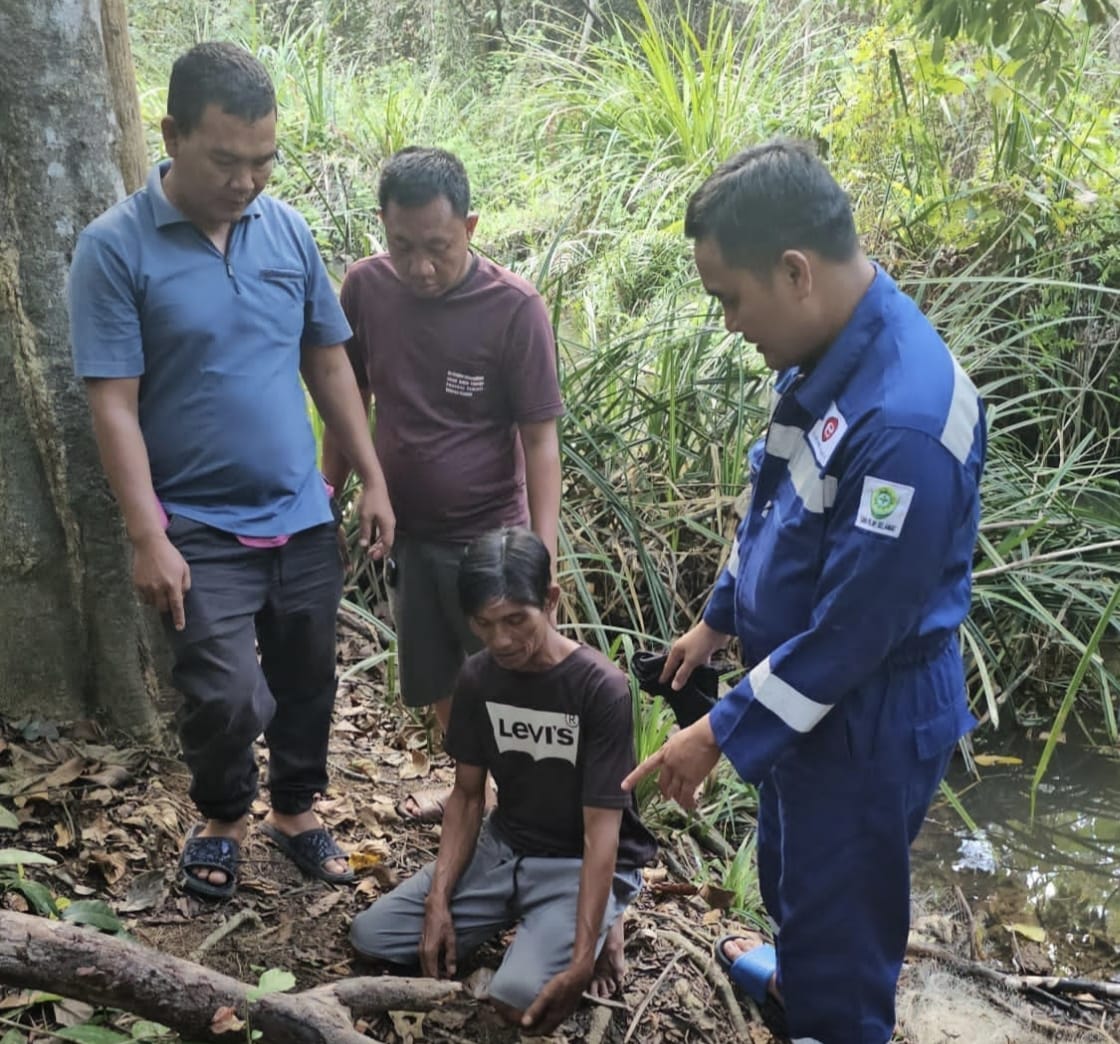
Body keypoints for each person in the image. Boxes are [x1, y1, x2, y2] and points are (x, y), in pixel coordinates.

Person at [622, 138, 986, 1044]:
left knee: (844, 910)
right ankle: (797, 978)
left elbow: (854, 634)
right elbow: (775, 496)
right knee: (792, 868)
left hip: (870, 710)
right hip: (802, 693)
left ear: (794, 271)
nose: (729, 323)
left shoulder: (903, 421)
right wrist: (717, 619)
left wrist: (718, 731)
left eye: (730, 300)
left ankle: (834, 1018)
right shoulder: (826, 354)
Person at [68, 42, 394, 901]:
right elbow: (113, 403)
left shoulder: (285, 230)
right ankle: (221, 816)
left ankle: (295, 810)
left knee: (306, 678)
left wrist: (371, 479)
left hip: (300, 508)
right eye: (225, 160)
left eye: (263, 160)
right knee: (222, 695)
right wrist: (148, 535)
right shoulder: (114, 249)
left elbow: (329, 364)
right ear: (172, 134)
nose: (247, 180)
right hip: (198, 524)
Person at [321, 146, 563, 822]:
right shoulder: (366, 288)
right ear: (383, 226)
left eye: (438, 247)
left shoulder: (513, 308)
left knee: (511, 669)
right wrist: (327, 495)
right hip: (410, 534)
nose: (420, 267)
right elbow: (351, 397)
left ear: (472, 227)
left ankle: (531, 807)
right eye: (402, 245)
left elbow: (540, 440)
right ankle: (470, 793)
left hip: (490, 535)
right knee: (443, 679)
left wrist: (539, 559)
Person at [350, 527, 657, 1033]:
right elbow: (468, 796)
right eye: (485, 624)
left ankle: (605, 920)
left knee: (517, 1000)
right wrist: (438, 901)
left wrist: (583, 960)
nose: (502, 640)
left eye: (517, 619)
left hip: (573, 861)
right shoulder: (477, 677)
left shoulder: (600, 688)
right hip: (505, 845)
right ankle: (519, 920)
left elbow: (602, 831)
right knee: (373, 936)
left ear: (551, 600)